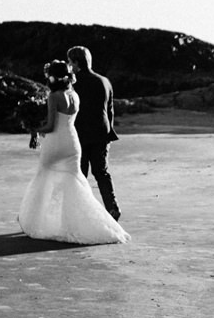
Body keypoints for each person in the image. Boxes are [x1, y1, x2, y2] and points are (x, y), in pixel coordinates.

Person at [18, 60, 130, 245]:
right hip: (72, 143)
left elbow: (51, 125)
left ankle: (34, 222)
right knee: (74, 182)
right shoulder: (74, 95)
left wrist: (35, 130)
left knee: (43, 177)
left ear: (52, 77)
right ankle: (86, 224)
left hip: (55, 143)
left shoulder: (54, 96)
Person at [67, 45, 121, 220]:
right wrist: (109, 132)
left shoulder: (73, 84)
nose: (69, 65)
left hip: (81, 134)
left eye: (70, 62)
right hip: (102, 134)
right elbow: (110, 110)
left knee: (80, 174)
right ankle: (112, 208)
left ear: (76, 62)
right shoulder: (104, 81)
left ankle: (81, 213)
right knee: (101, 172)